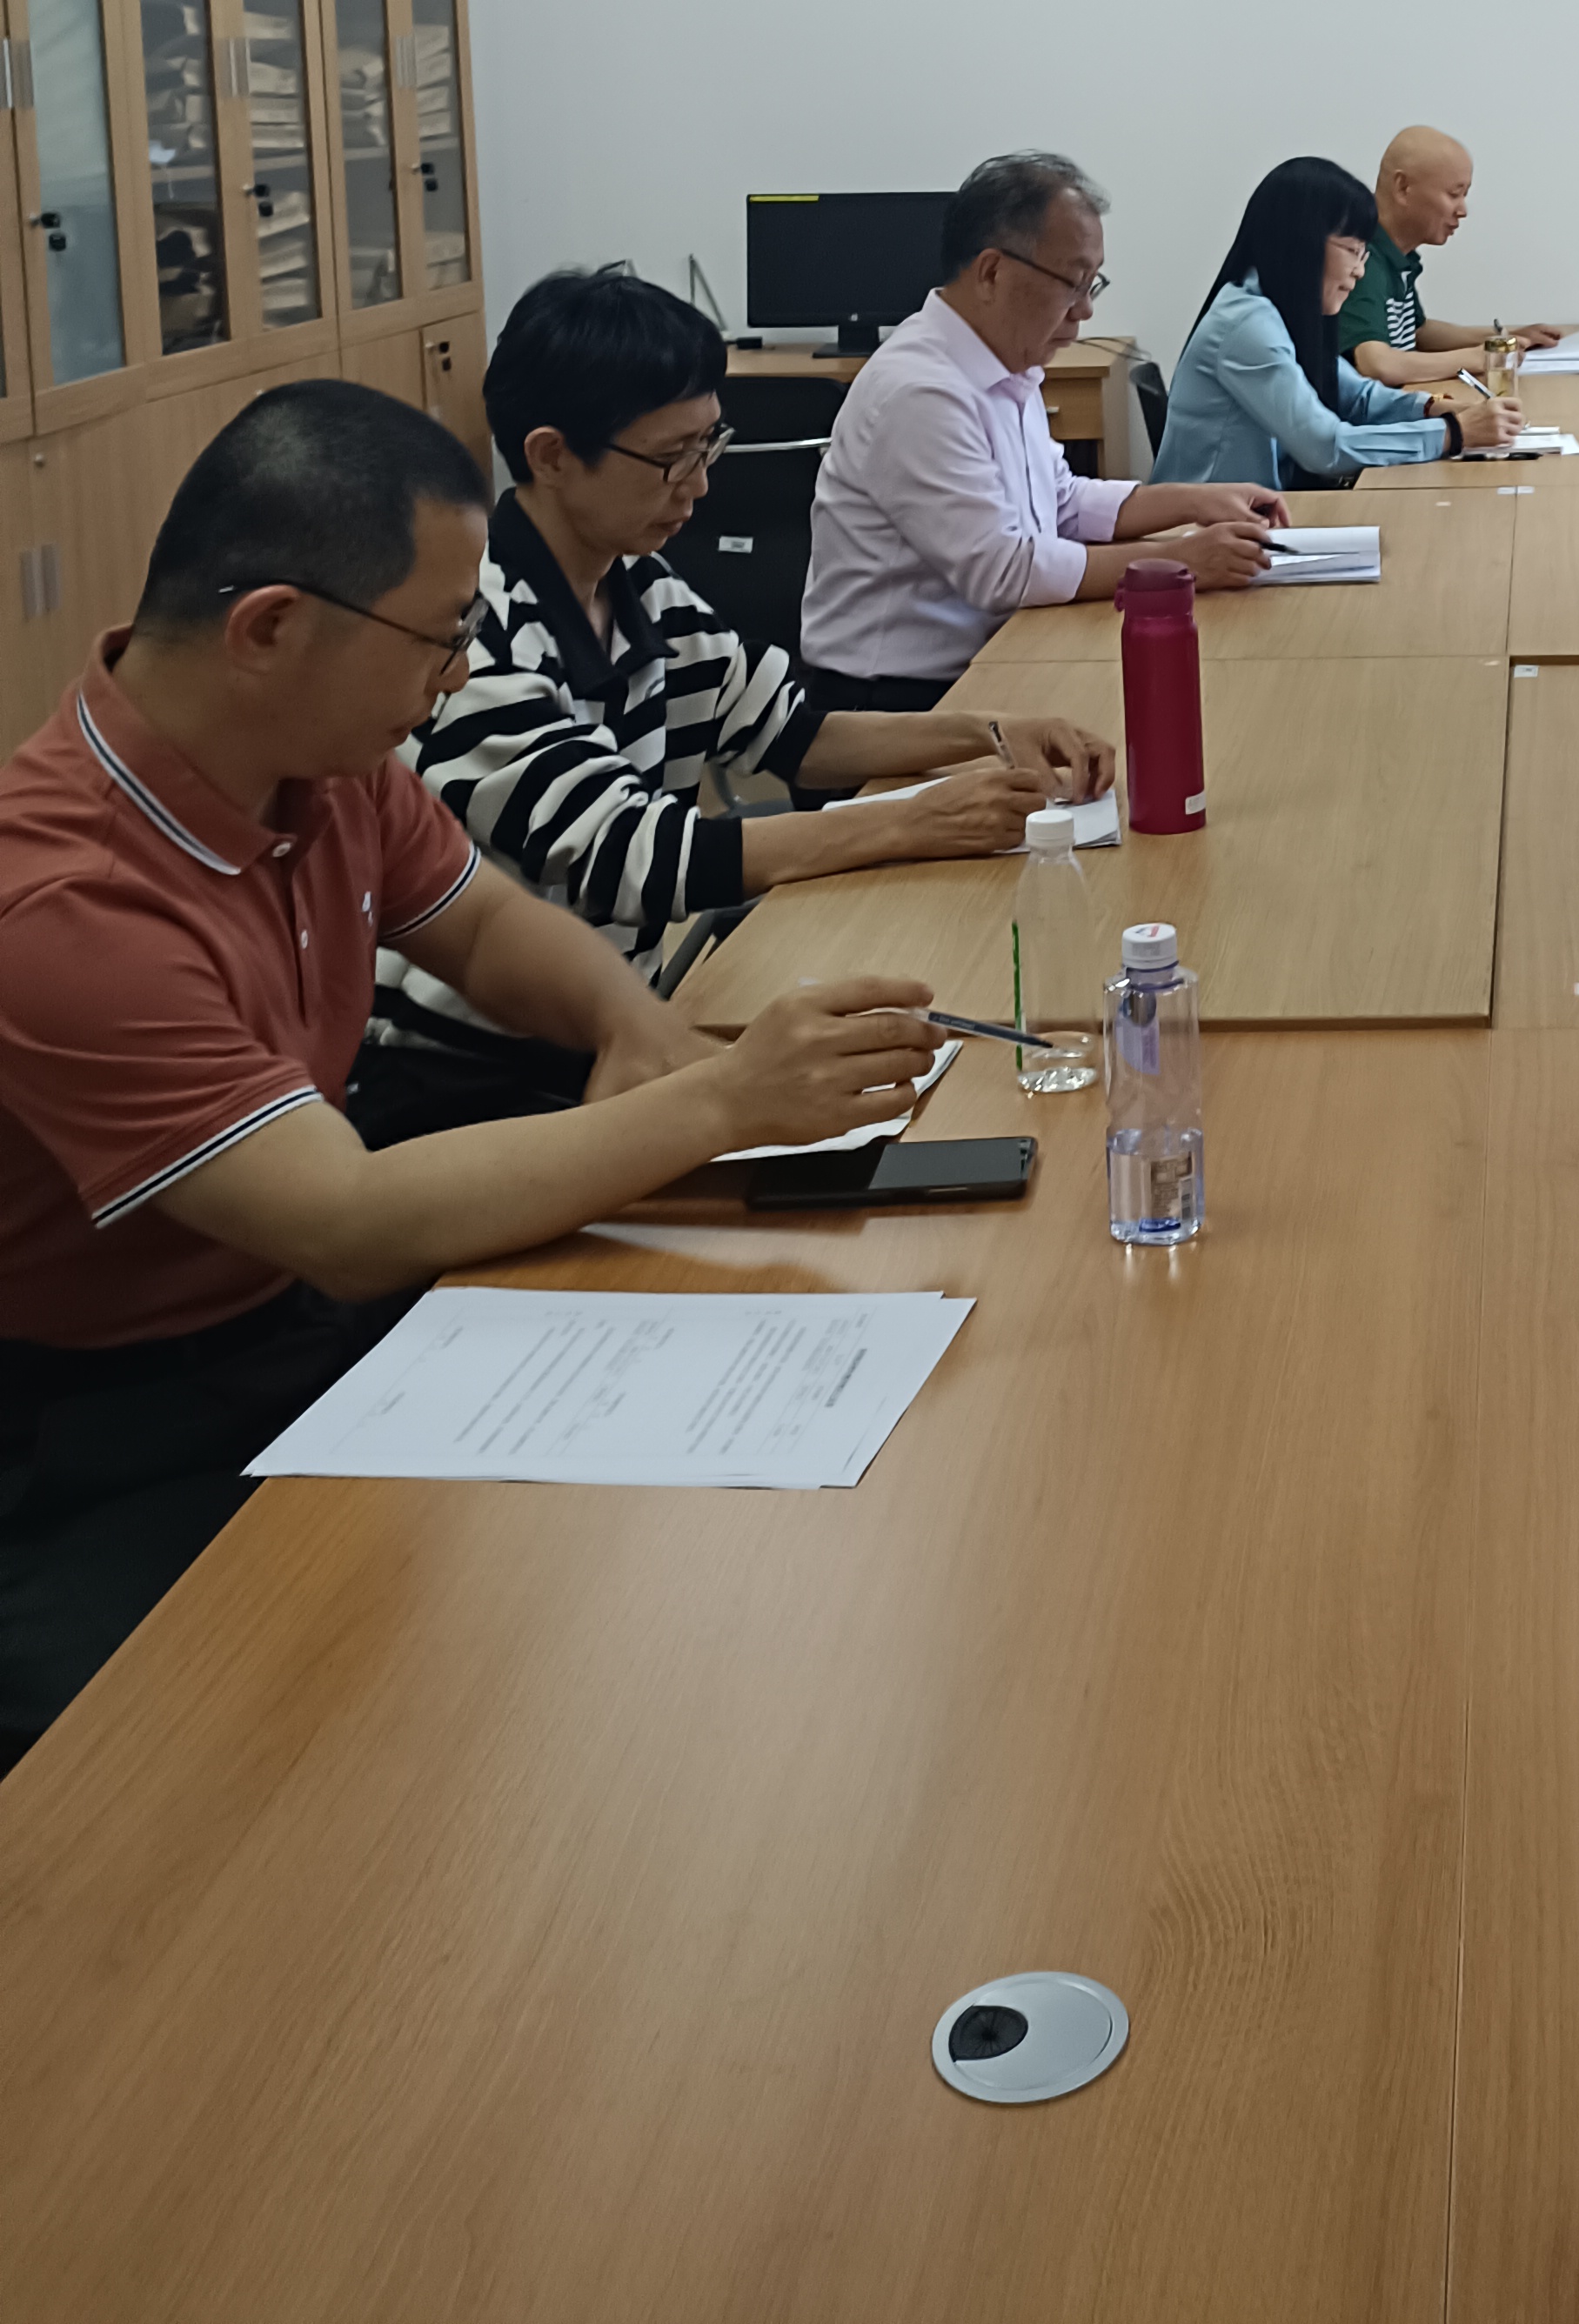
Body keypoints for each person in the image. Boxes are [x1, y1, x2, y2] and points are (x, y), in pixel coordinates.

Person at [0, 381, 940, 1771]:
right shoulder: (61, 903)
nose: (454, 679)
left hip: (299, 1325)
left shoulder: (324, 766)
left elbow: (488, 928)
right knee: (220, 1774)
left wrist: (636, 1029)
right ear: (271, 629)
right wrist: (718, 1100)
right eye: (440, 640)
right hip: (98, 1424)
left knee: (594, 1613)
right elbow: (346, 1219)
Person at [360, 269, 1115, 1145]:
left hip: (623, 1032)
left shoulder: (637, 583)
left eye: (708, 446)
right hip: (480, 1084)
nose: (699, 486)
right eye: (671, 458)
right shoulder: (476, 634)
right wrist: (913, 819)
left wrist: (986, 733)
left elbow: (790, 731)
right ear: (552, 456)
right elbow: (639, 856)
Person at [803, 152, 1288, 710]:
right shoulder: (920, 391)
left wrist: (1197, 501)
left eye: (1093, 283)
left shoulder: (1006, 364)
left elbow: (1061, 502)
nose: (1084, 311)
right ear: (992, 272)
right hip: (894, 703)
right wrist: (1182, 564)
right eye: (1073, 282)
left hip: (994, 657)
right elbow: (1003, 572)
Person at [1158, 159, 1517, 490]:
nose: (1359, 271)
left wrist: (1435, 407)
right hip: (1205, 527)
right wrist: (1454, 433)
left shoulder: (1285, 310)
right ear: (1302, 243)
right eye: (1351, 250)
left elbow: (1358, 398)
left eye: (1364, 253)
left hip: (1255, 515)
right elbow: (1323, 447)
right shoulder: (1247, 323)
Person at [1334, 127, 1565, 397]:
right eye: (1454, 194)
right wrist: (1478, 358)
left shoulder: (1398, 255)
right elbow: (1377, 364)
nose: (1463, 210)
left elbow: (1418, 331)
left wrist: (1505, 339)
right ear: (1403, 188)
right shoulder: (1363, 259)